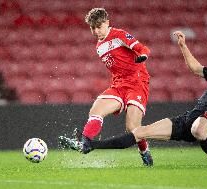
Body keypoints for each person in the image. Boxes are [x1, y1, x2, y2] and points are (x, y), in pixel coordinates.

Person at [60, 31, 207, 167]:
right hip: (189, 118)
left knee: (200, 129)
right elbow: (196, 68)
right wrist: (183, 46)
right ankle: (90, 147)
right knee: (139, 132)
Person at [64, 8, 153, 166]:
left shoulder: (119, 35)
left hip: (137, 83)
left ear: (107, 23)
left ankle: (144, 151)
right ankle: (85, 143)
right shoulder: (99, 46)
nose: (96, 31)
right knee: (96, 110)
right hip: (118, 85)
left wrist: (143, 55)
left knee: (132, 127)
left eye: (99, 26)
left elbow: (142, 48)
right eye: (93, 28)